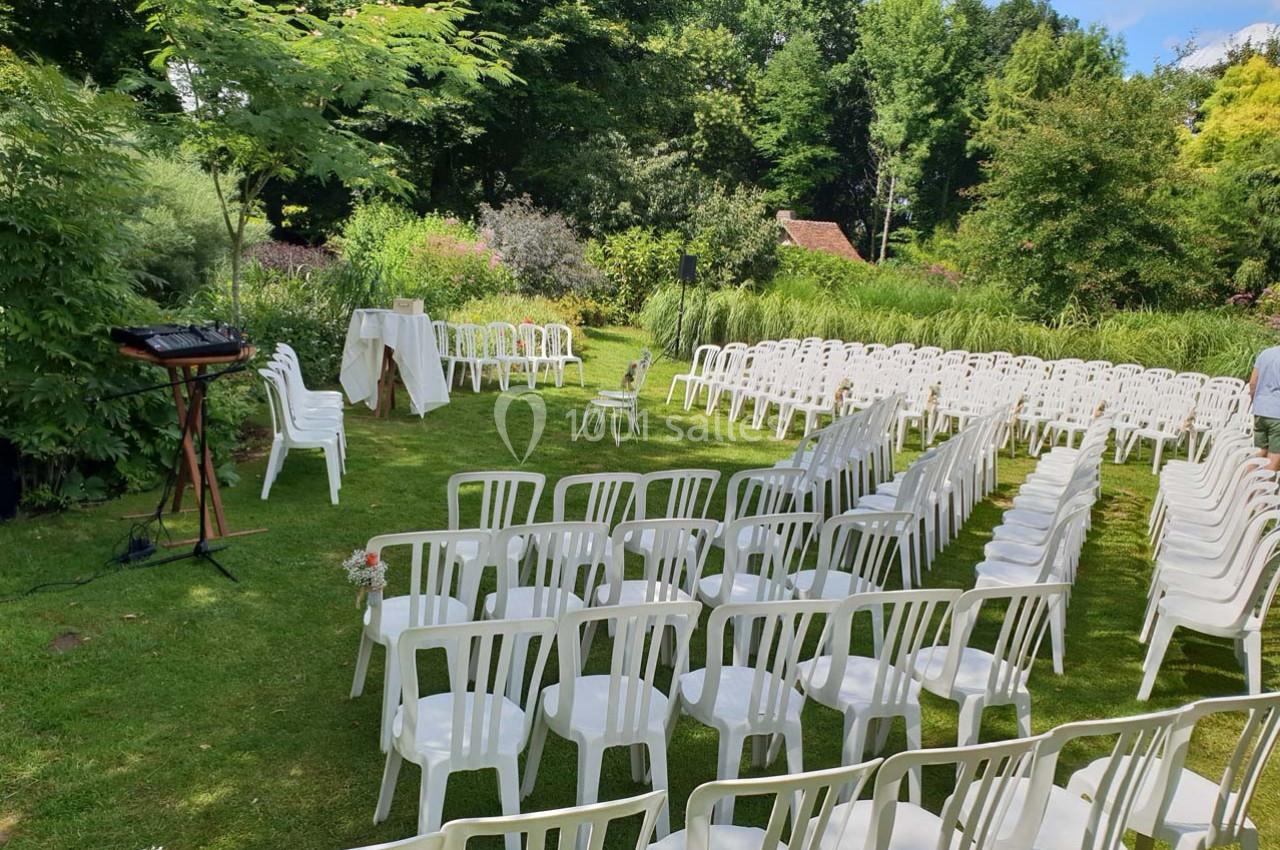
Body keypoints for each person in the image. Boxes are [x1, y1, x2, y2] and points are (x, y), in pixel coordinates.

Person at [1250, 344, 1280, 471]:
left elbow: (1252, 383)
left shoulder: (1265, 353)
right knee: (1274, 457)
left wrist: (1255, 402)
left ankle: (1245, 485)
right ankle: (1263, 490)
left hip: (1260, 410)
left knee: (1259, 452)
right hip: (1277, 414)